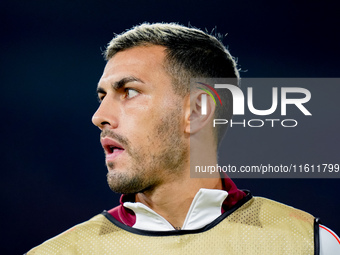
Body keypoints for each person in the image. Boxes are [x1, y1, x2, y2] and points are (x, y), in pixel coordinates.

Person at [27, 23, 339, 254]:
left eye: (129, 92)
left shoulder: (309, 244)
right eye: (102, 96)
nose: (99, 117)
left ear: (199, 111)